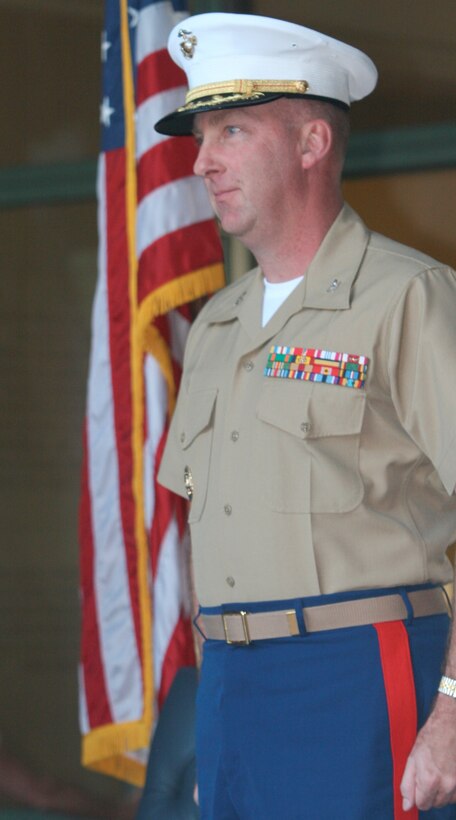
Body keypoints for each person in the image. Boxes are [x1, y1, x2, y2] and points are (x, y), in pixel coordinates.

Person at [155, 12, 456, 819]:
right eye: (200, 137)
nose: (202, 160)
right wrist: (223, 714)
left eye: (231, 130)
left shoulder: (409, 297)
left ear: (312, 142)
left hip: (358, 675)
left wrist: (454, 709)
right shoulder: (216, 328)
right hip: (231, 686)